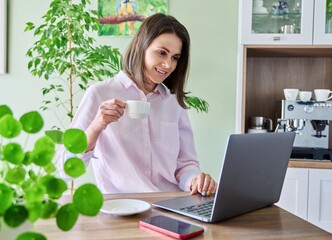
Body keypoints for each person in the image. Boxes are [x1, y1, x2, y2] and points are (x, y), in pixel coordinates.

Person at [57, 13, 217, 196]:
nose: (167, 65)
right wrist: (96, 127)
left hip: (171, 205)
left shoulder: (173, 102)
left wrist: (195, 180)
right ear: (142, 45)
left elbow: (185, 165)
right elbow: (64, 170)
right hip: (121, 209)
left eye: (175, 57)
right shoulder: (99, 94)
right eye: (162, 53)